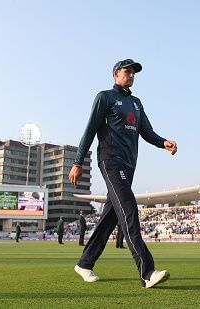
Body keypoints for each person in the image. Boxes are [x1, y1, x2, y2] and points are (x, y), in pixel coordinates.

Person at [69, 59, 177, 288]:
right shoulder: (105, 97)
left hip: (129, 165)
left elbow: (146, 131)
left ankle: (84, 263)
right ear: (116, 74)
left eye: (134, 73)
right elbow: (89, 130)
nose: (131, 75)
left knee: (110, 217)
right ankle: (147, 273)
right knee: (129, 209)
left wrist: (163, 142)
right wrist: (77, 162)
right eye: (127, 72)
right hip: (110, 160)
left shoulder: (137, 103)